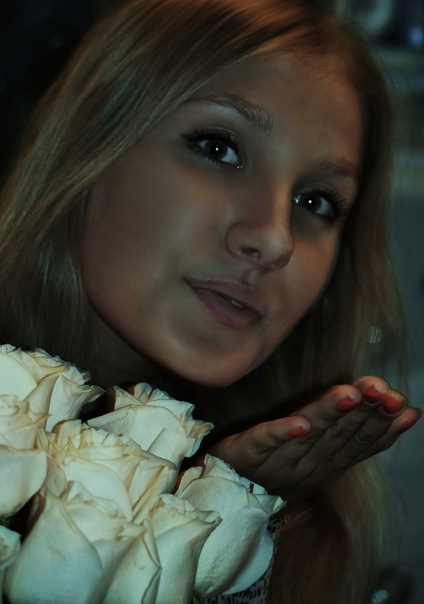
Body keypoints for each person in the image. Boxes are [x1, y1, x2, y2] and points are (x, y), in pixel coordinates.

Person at [0, 0, 421, 602]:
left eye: (316, 202)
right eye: (219, 148)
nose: (274, 239)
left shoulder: (287, 513)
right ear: (86, 144)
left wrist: (224, 524)